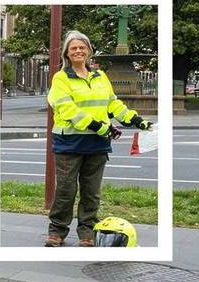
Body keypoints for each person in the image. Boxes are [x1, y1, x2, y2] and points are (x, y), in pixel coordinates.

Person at [46, 30, 152, 247]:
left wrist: (136, 120)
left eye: (82, 47)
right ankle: (57, 231)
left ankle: (87, 232)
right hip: (69, 143)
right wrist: (98, 126)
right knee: (66, 190)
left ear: (89, 51)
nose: (78, 51)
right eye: (73, 48)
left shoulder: (100, 76)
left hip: (97, 144)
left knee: (91, 192)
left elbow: (112, 104)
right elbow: (67, 109)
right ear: (67, 53)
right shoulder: (61, 78)